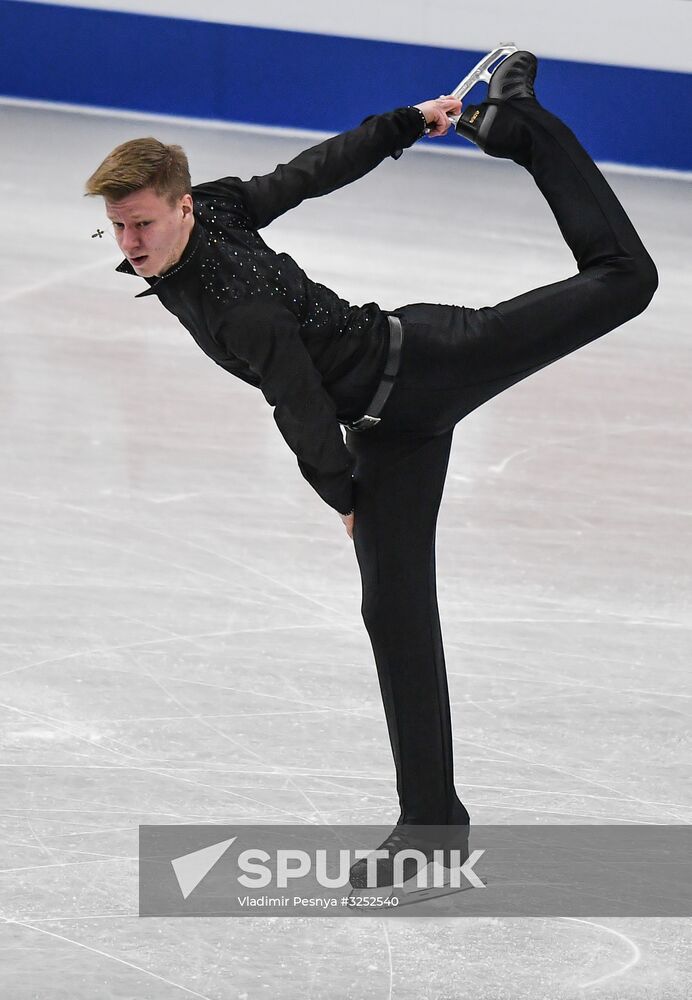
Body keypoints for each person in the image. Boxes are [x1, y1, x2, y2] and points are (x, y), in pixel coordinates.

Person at [85, 51, 657, 889]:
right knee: (393, 611)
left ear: (180, 205)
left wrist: (342, 497)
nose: (130, 244)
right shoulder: (212, 213)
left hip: (431, 363)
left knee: (625, 278)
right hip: (392, 428)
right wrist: (402, 125)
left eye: (142, 224)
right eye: (118, 227)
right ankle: (431, 824)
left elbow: (298, 402)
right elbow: (309, 173)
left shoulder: (236, 301)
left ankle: (522, 124)